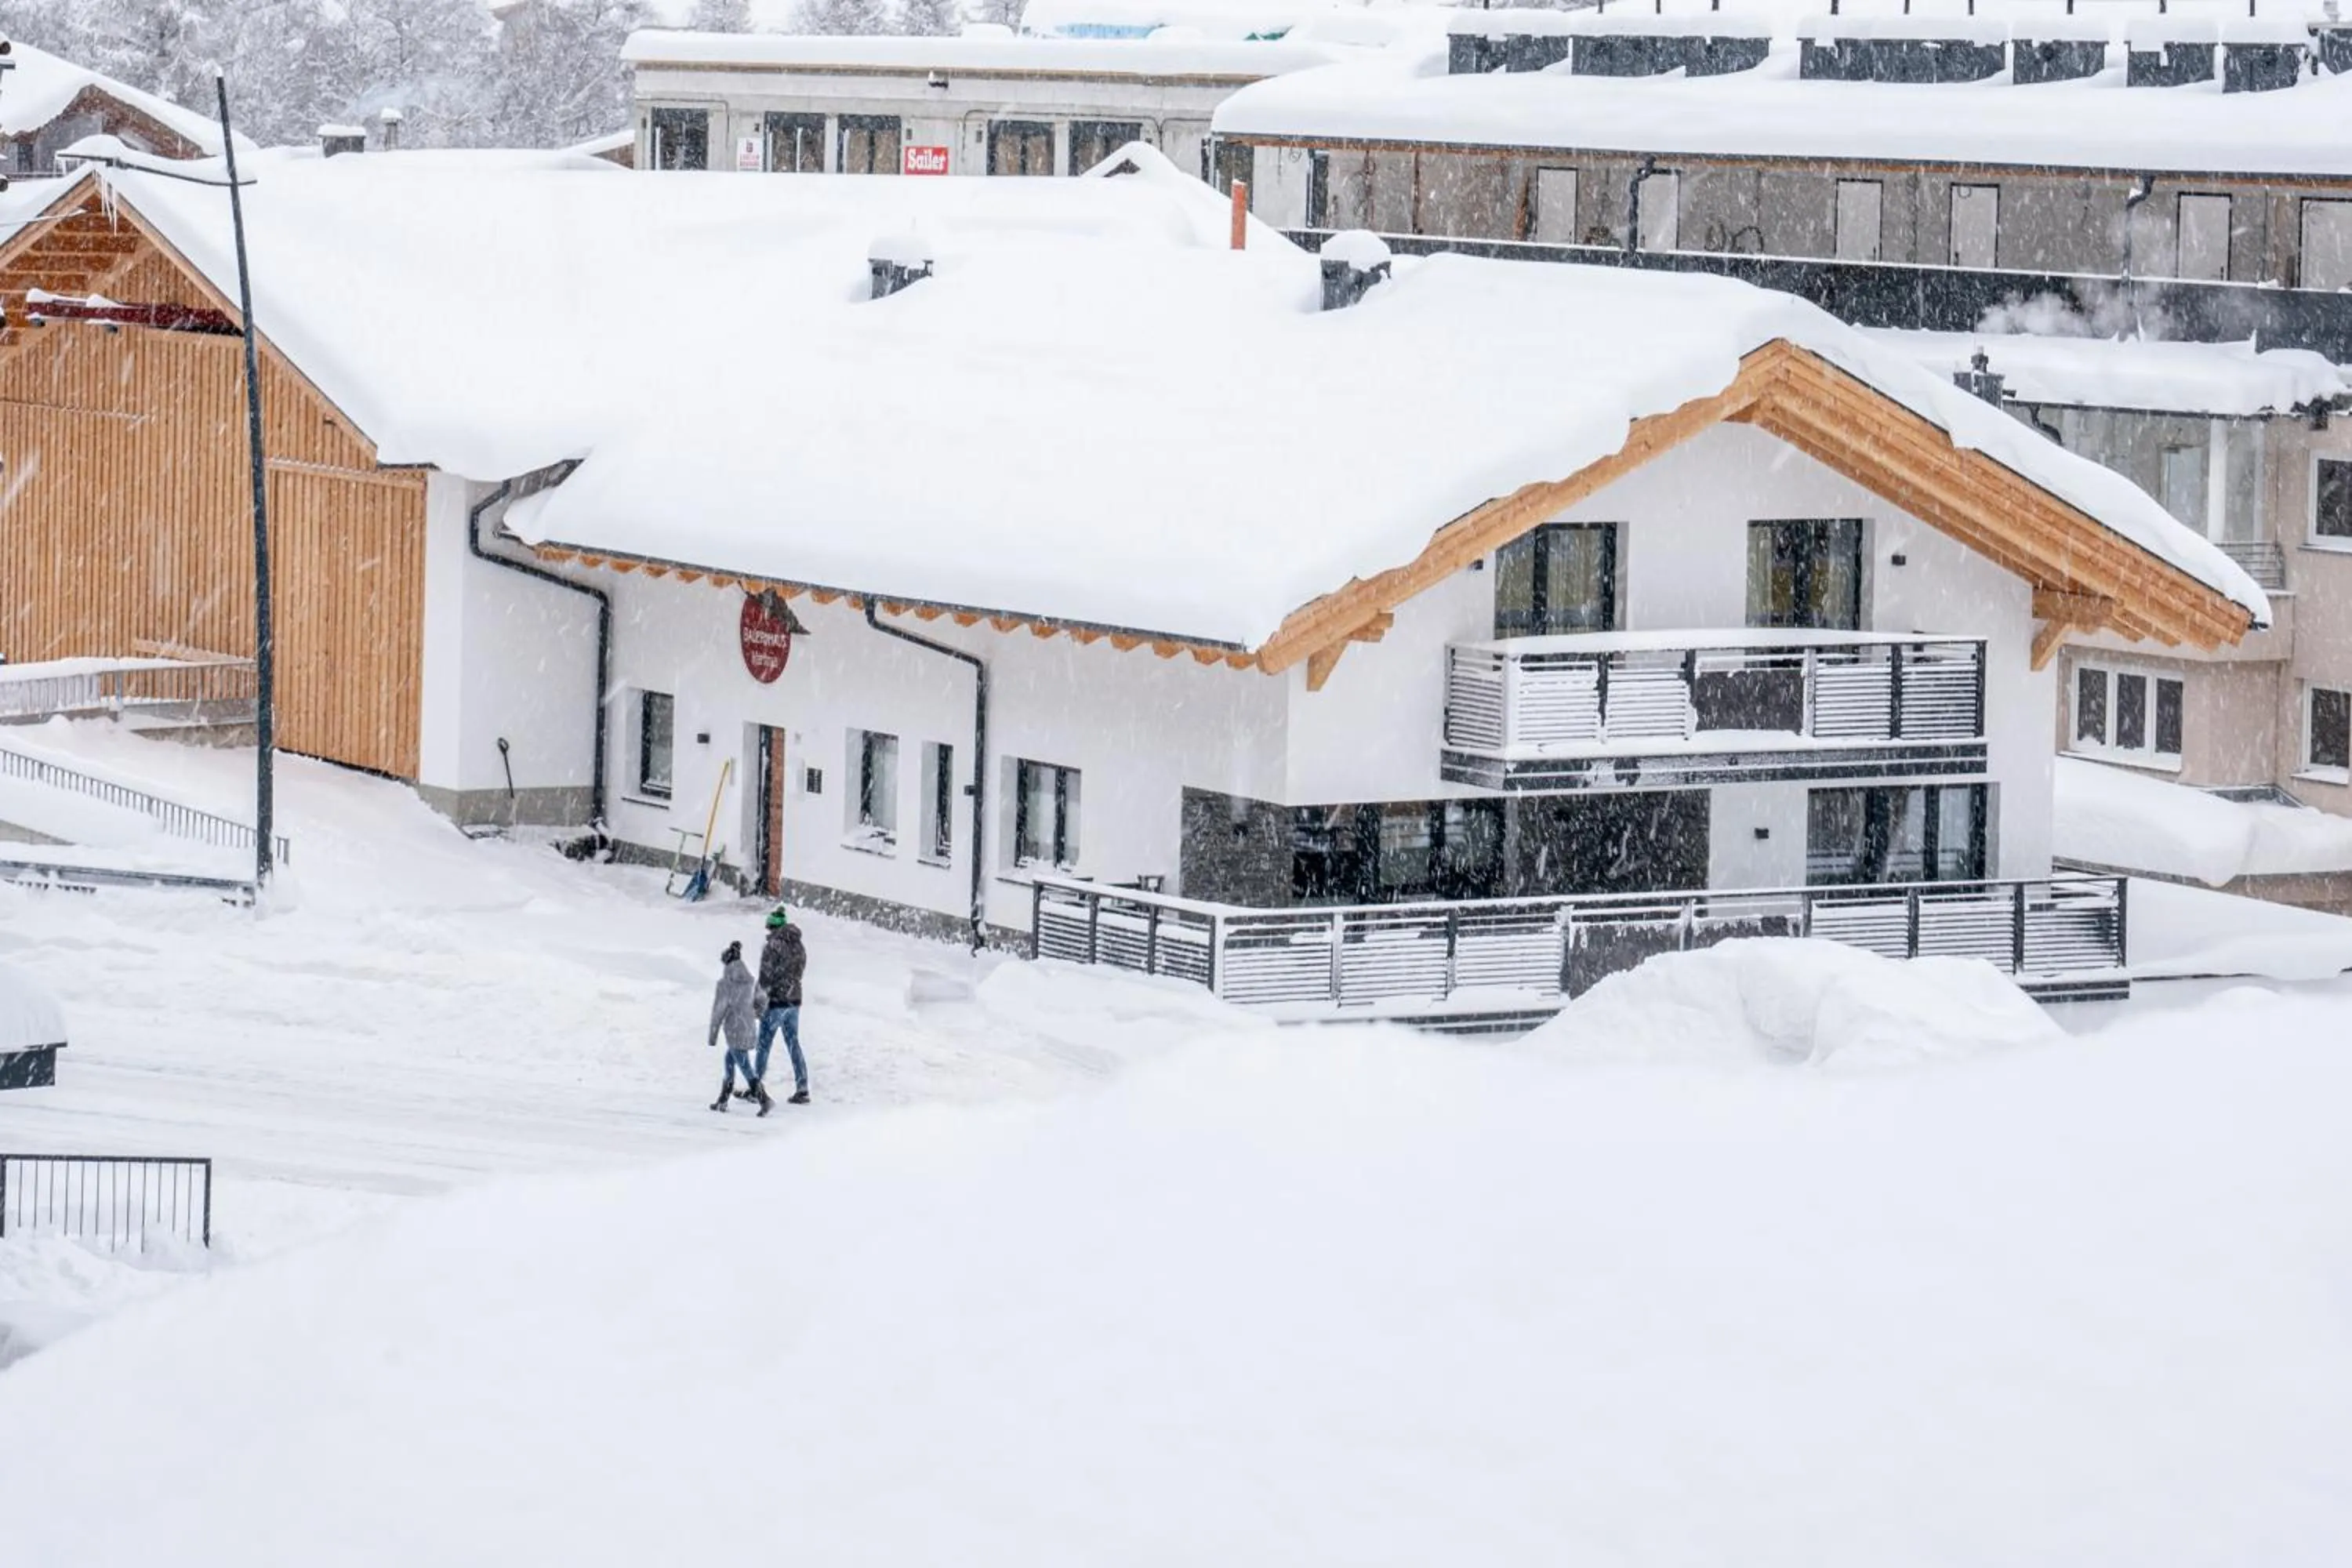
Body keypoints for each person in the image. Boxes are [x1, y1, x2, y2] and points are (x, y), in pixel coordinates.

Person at [754, 906, 810, 1105]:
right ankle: (802, 1088)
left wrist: (758, 1002)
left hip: (777, 1001)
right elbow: (800, 971)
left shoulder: (773, 946)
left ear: (771, 927)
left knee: (764, 1044)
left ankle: (755, 1087)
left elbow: (765, 977)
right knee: (793, 1043)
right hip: (794, 1000)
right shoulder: (798, 945)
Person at [707, 940, 771, 1115]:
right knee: (730, 1060)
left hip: (734, 1030)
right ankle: (722, 1101)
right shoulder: (750, 982)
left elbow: (718, 1011)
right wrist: (756, 1013)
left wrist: (713, 1035)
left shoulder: (725, 984)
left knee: (744, 1066)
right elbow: (762, 1000)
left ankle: (764, 1099)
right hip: (748, 1027)